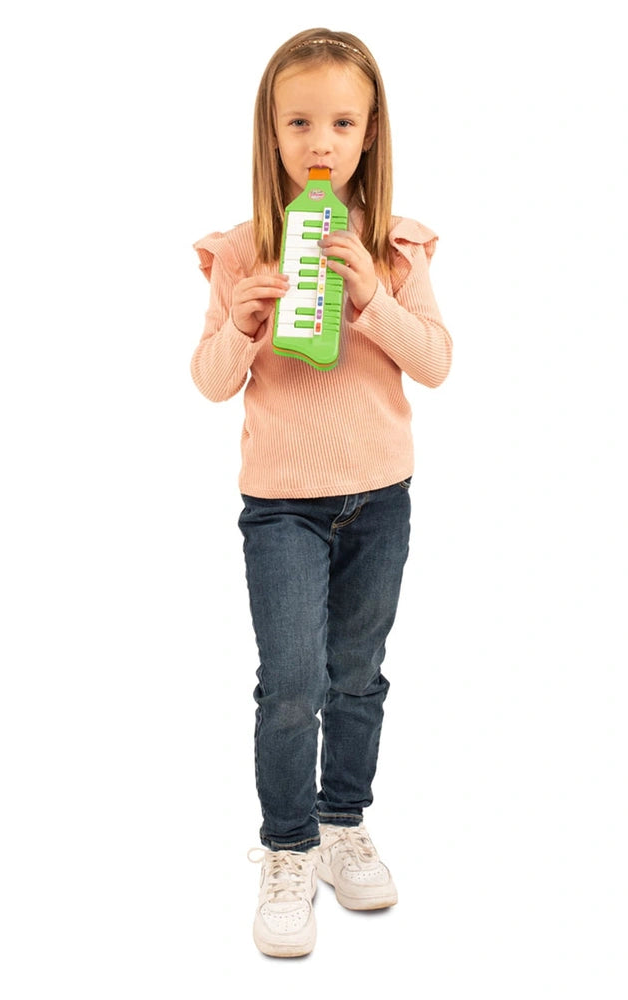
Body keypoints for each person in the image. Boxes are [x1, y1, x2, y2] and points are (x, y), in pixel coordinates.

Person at [190, 27, 452, 958]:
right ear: (271, 133)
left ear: (371, 133)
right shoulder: (240, 250)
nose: (321, 141)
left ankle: (344, 825)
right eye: (299, 121)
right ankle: (288, 848)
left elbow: (437, 362)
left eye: (342, 121)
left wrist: (373, 301)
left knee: (358, 676)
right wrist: (248, 325)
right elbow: (211, 380)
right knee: (291, 684)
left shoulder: (395, 246)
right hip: (283, 507)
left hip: (380, 497)